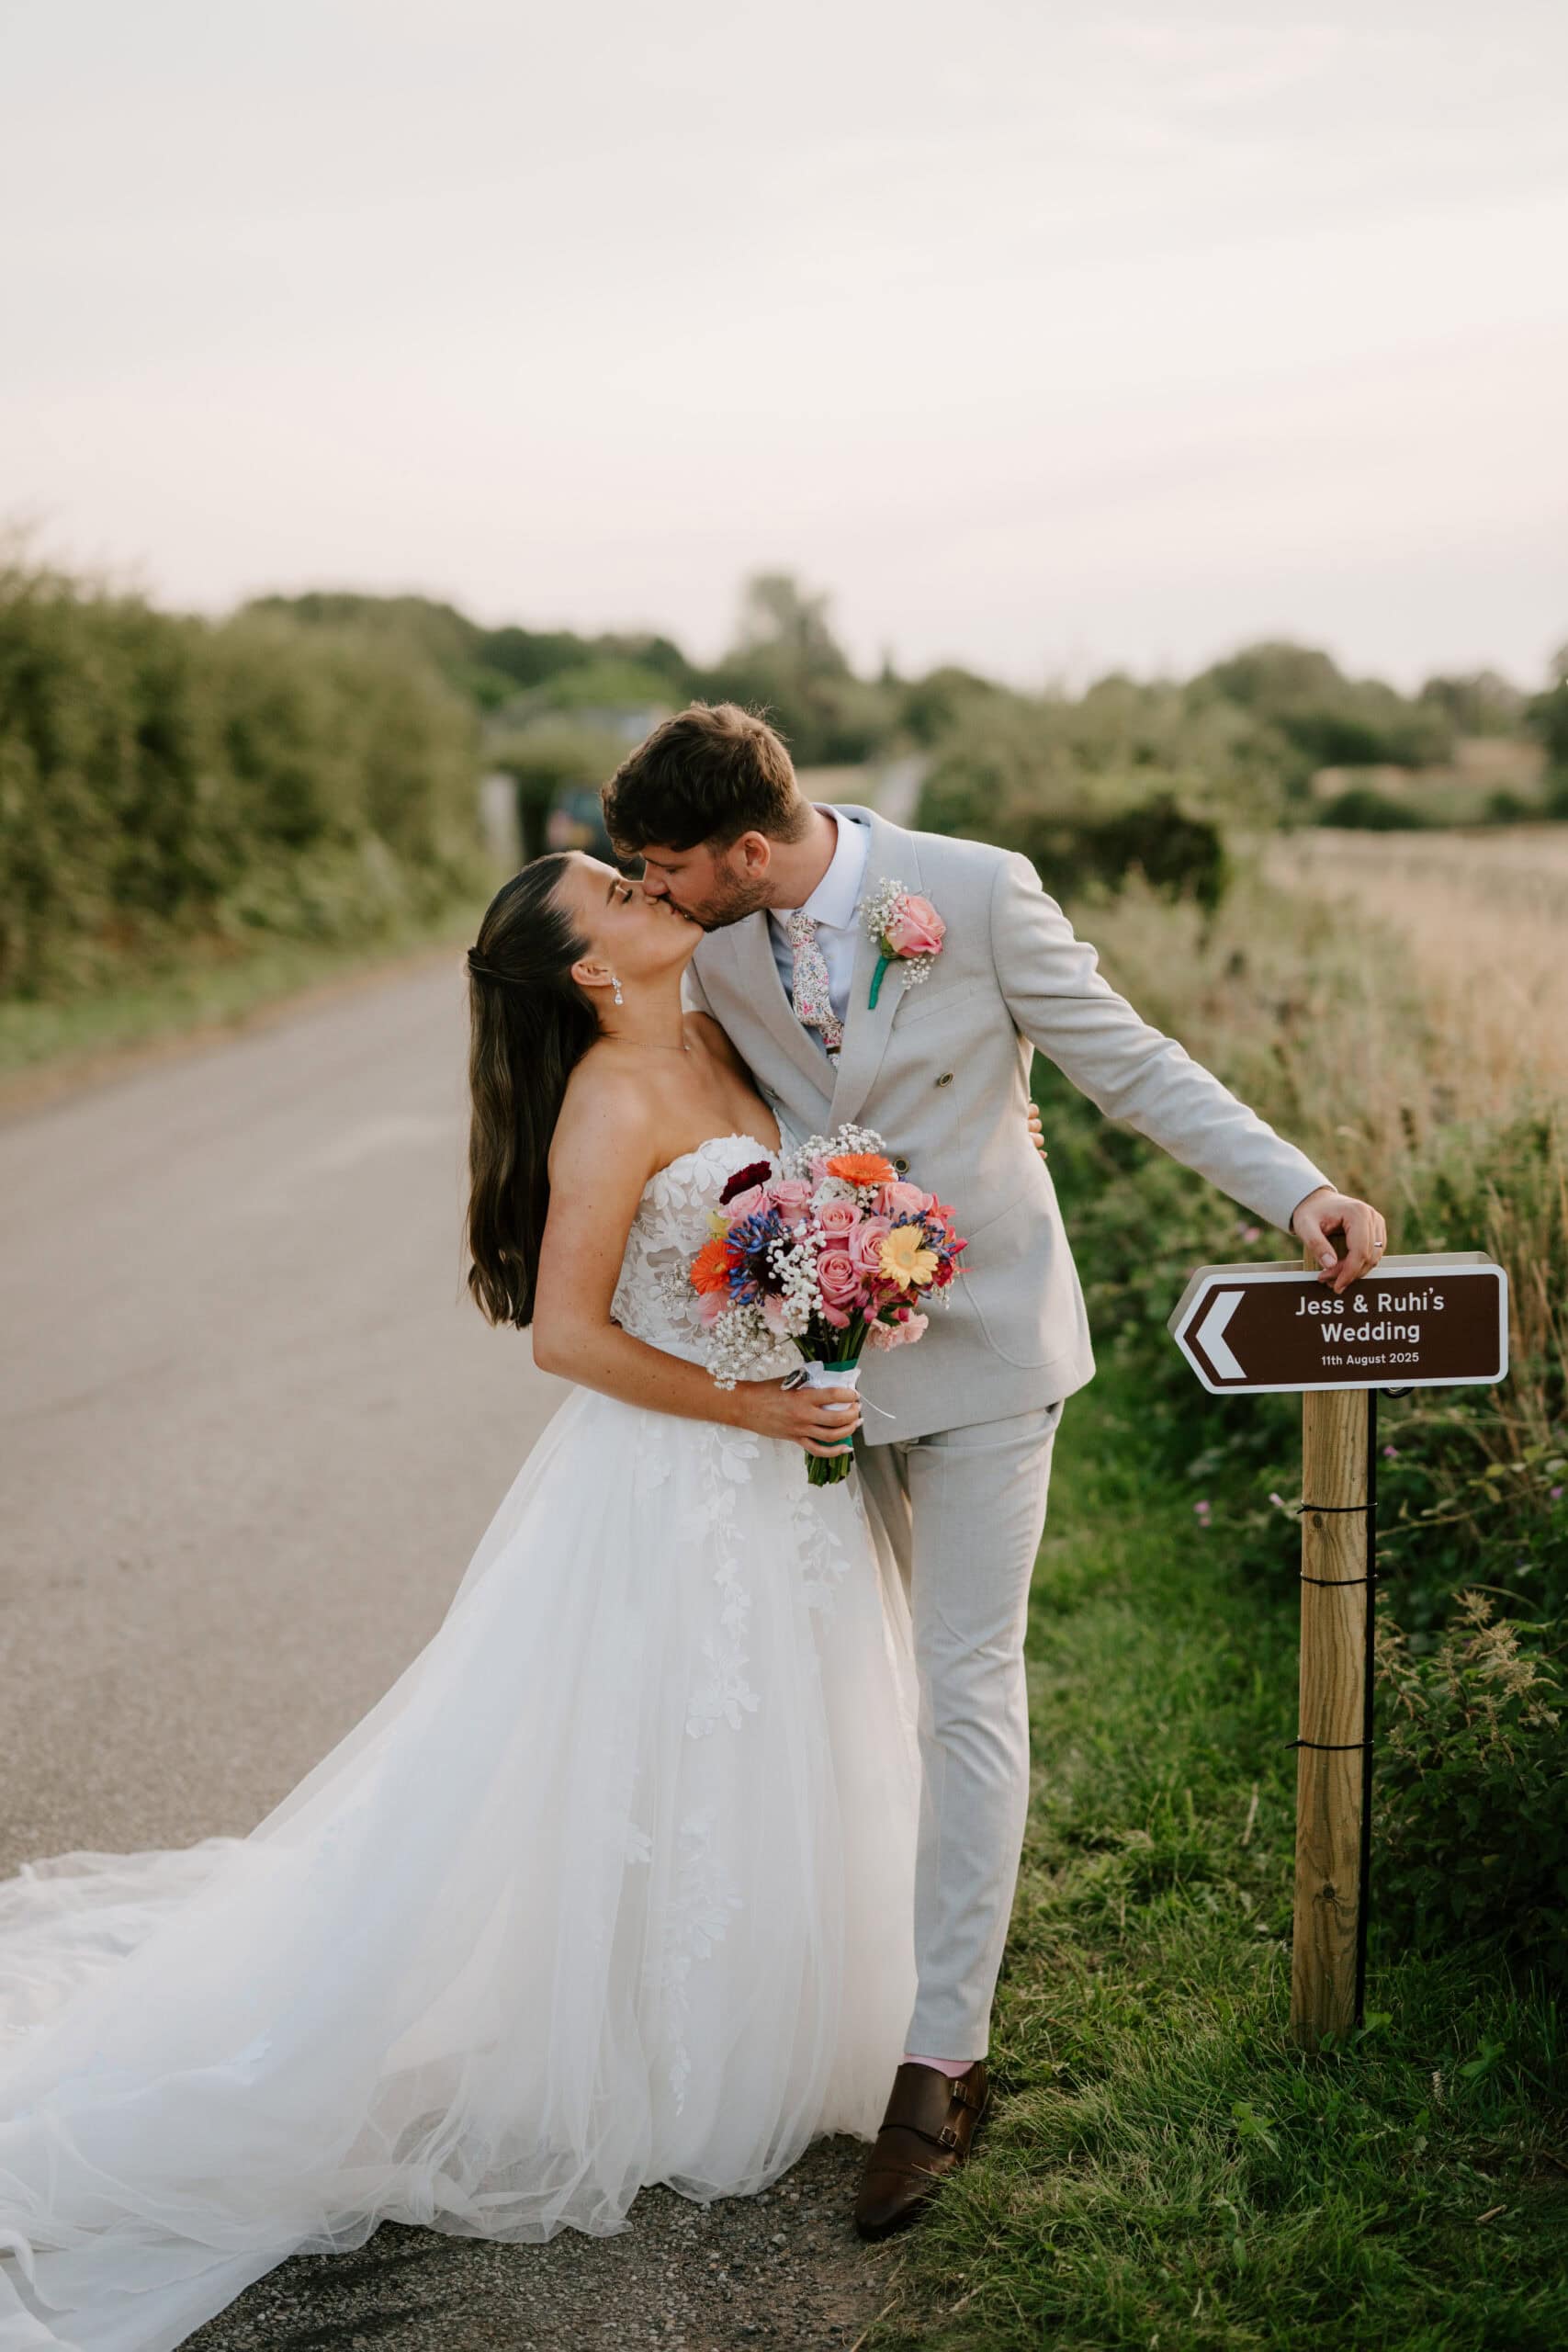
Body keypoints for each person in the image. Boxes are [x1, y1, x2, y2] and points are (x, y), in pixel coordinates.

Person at [0, 846, 1044, 2346]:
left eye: (636, 876)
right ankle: (646, 2050)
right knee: (647, 1750)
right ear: (588, 973)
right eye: (617, 897)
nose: (648, 894)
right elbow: (561, 1334)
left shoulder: (722, 1027)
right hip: (677, 1476)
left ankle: (792, 2018)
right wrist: (752, 1410)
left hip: (775, 1475)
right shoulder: (614, 1098)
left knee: (776, 1742)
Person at [600, 700, 1391, 2239]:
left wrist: (1298, 1189)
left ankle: (941, 2059)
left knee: (968, 1686)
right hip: (809, 1380)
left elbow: (1129, 1062)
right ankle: (821, 1996)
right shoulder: (704, 943)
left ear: (748, 848)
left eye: (669, 866)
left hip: (988, 1362)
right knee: (852, 1686)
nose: (656, 891)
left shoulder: (973, 891)